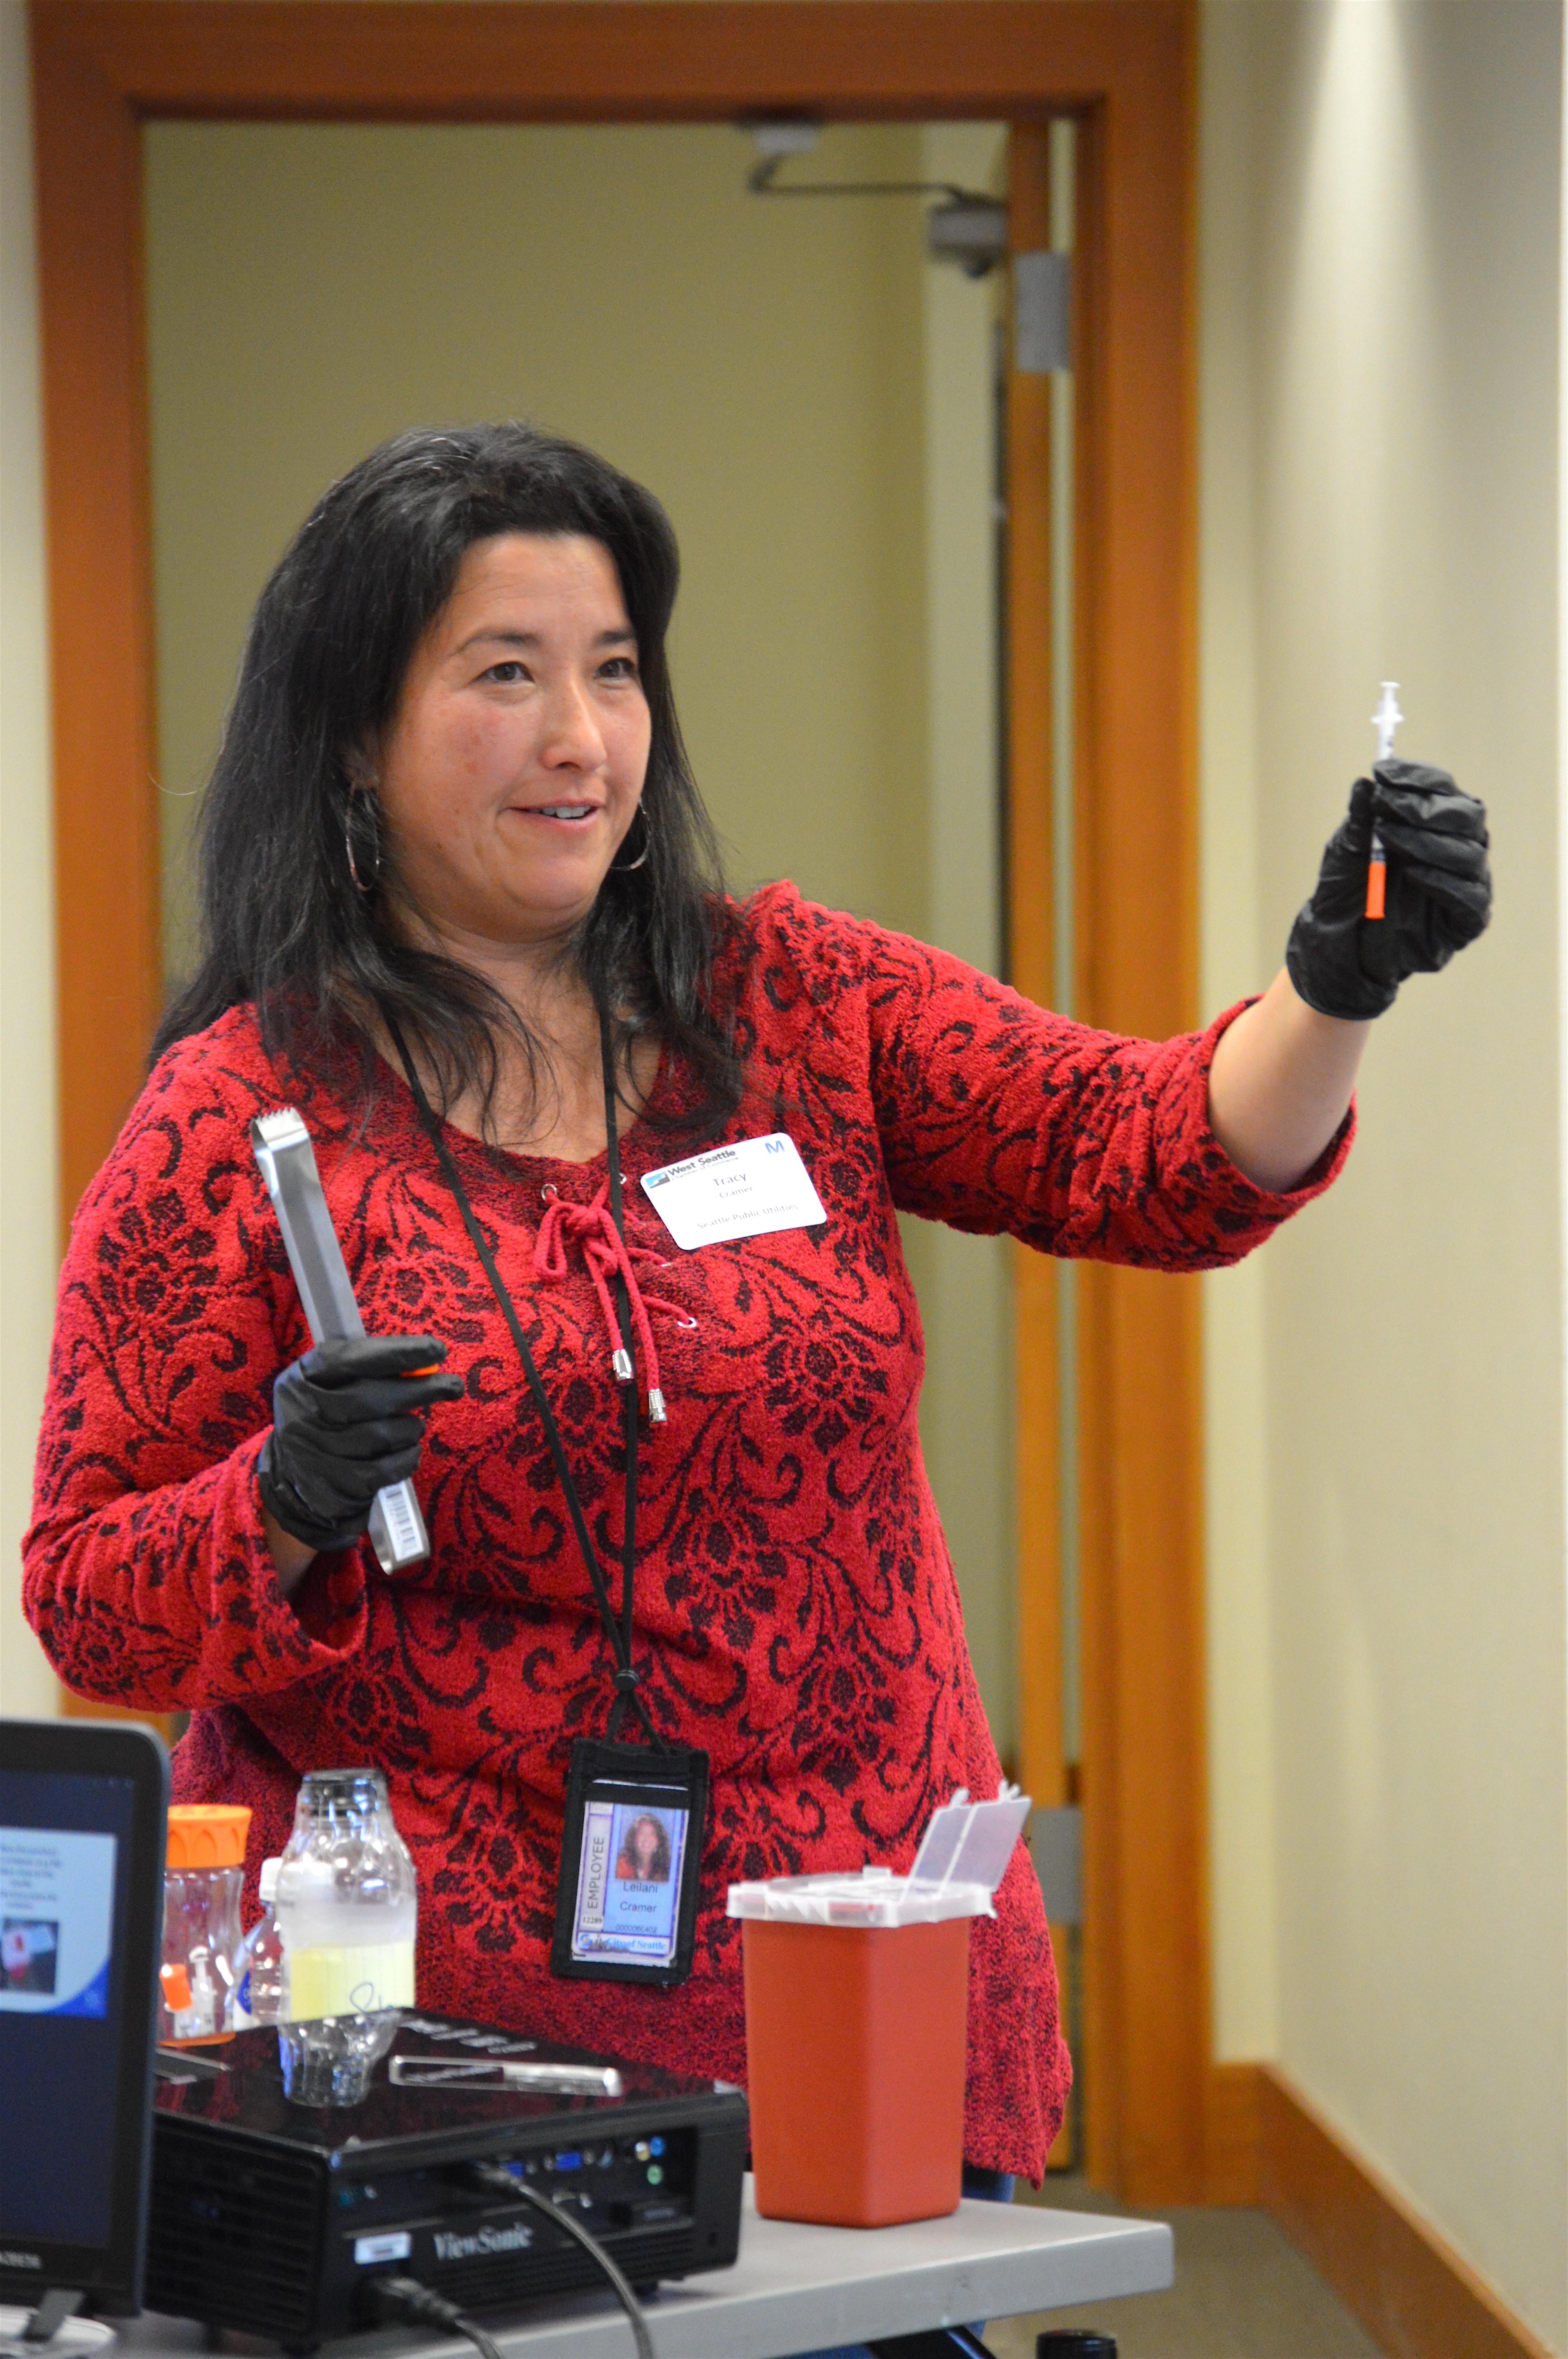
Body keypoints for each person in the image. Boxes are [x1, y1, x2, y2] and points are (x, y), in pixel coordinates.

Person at [23, 423, 1490, 2189]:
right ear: (353, 735)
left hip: (864, 1983)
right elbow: (90, 1608)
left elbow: (1149, 1151)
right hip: (448, 2047)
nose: (582, 738)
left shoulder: (793, 997)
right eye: (508, 674)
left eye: (616, 672)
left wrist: (1331, 982)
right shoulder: (239, 1113)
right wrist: (277, 1503)